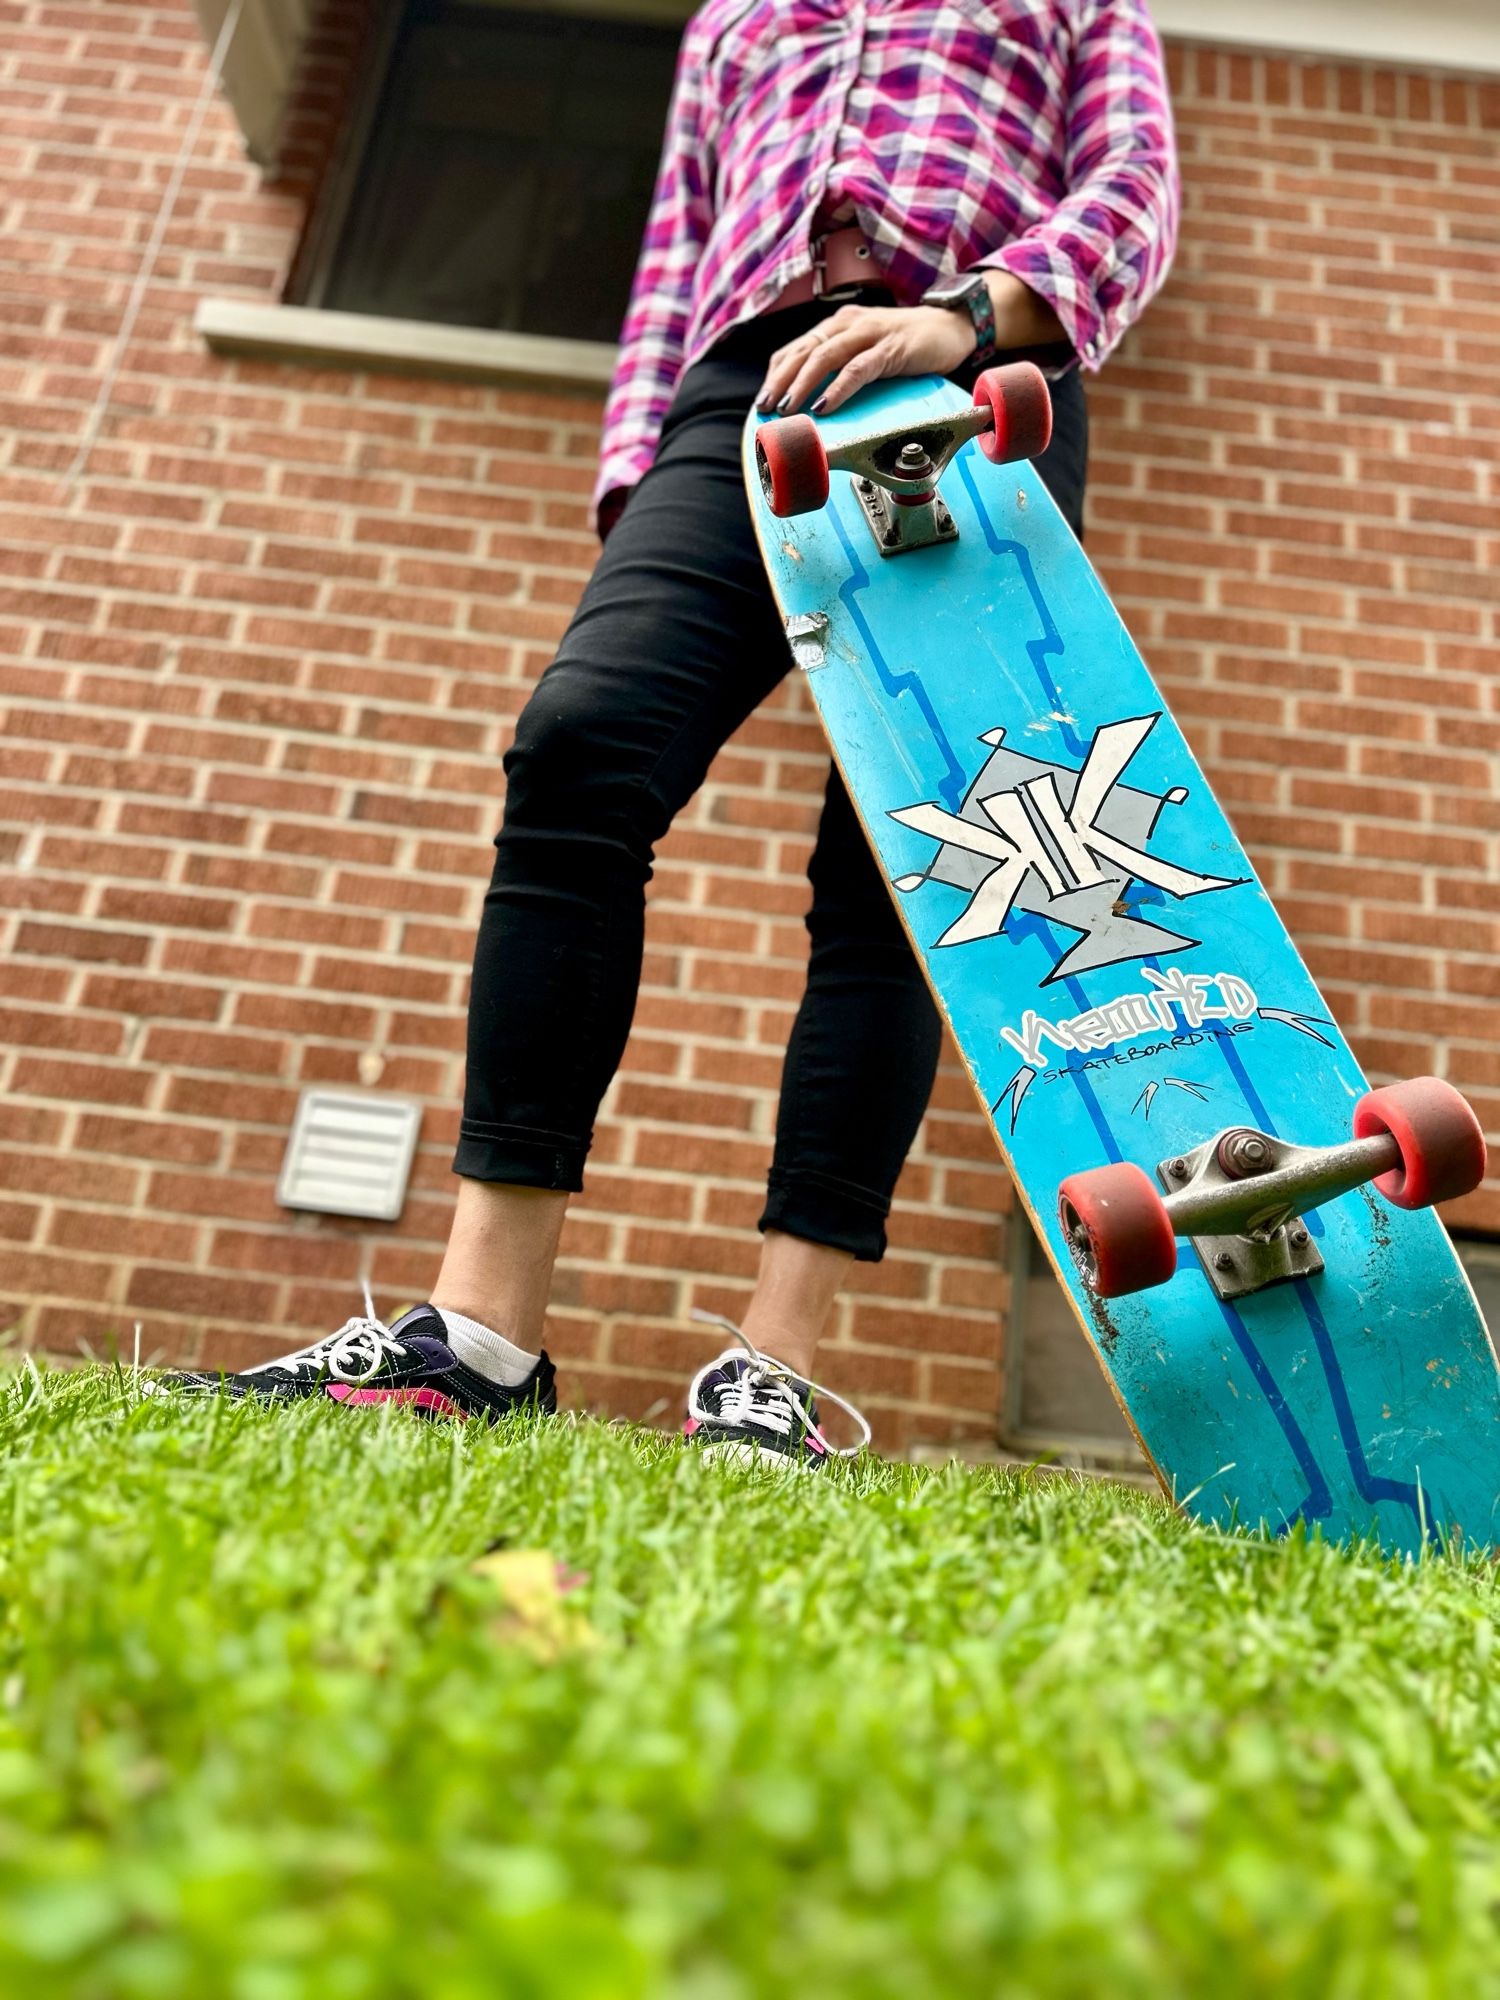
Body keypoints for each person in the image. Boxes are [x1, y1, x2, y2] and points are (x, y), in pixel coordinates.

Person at [170, 0, 1179, 1465]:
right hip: (747, 392)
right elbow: (672, 262)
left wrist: (963, 312)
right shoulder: (735, 17)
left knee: (905, 863)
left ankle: (776, 1366)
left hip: (977, 385)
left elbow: (1135, 189)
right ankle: (479, 1335)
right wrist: (642, 489)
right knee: (583, 743)